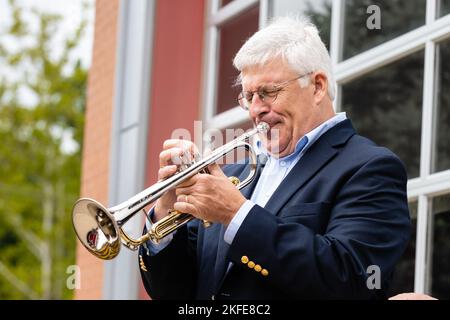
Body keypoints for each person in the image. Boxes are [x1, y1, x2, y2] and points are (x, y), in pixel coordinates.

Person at [138, 16, 411, 300]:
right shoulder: (235, 174)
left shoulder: (370, 167)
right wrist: (166, 208)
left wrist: (236, 214)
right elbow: (173, 293)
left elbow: (352, 279)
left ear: (317, 86)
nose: (256, 110)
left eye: (268, 93)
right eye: (248, 96)